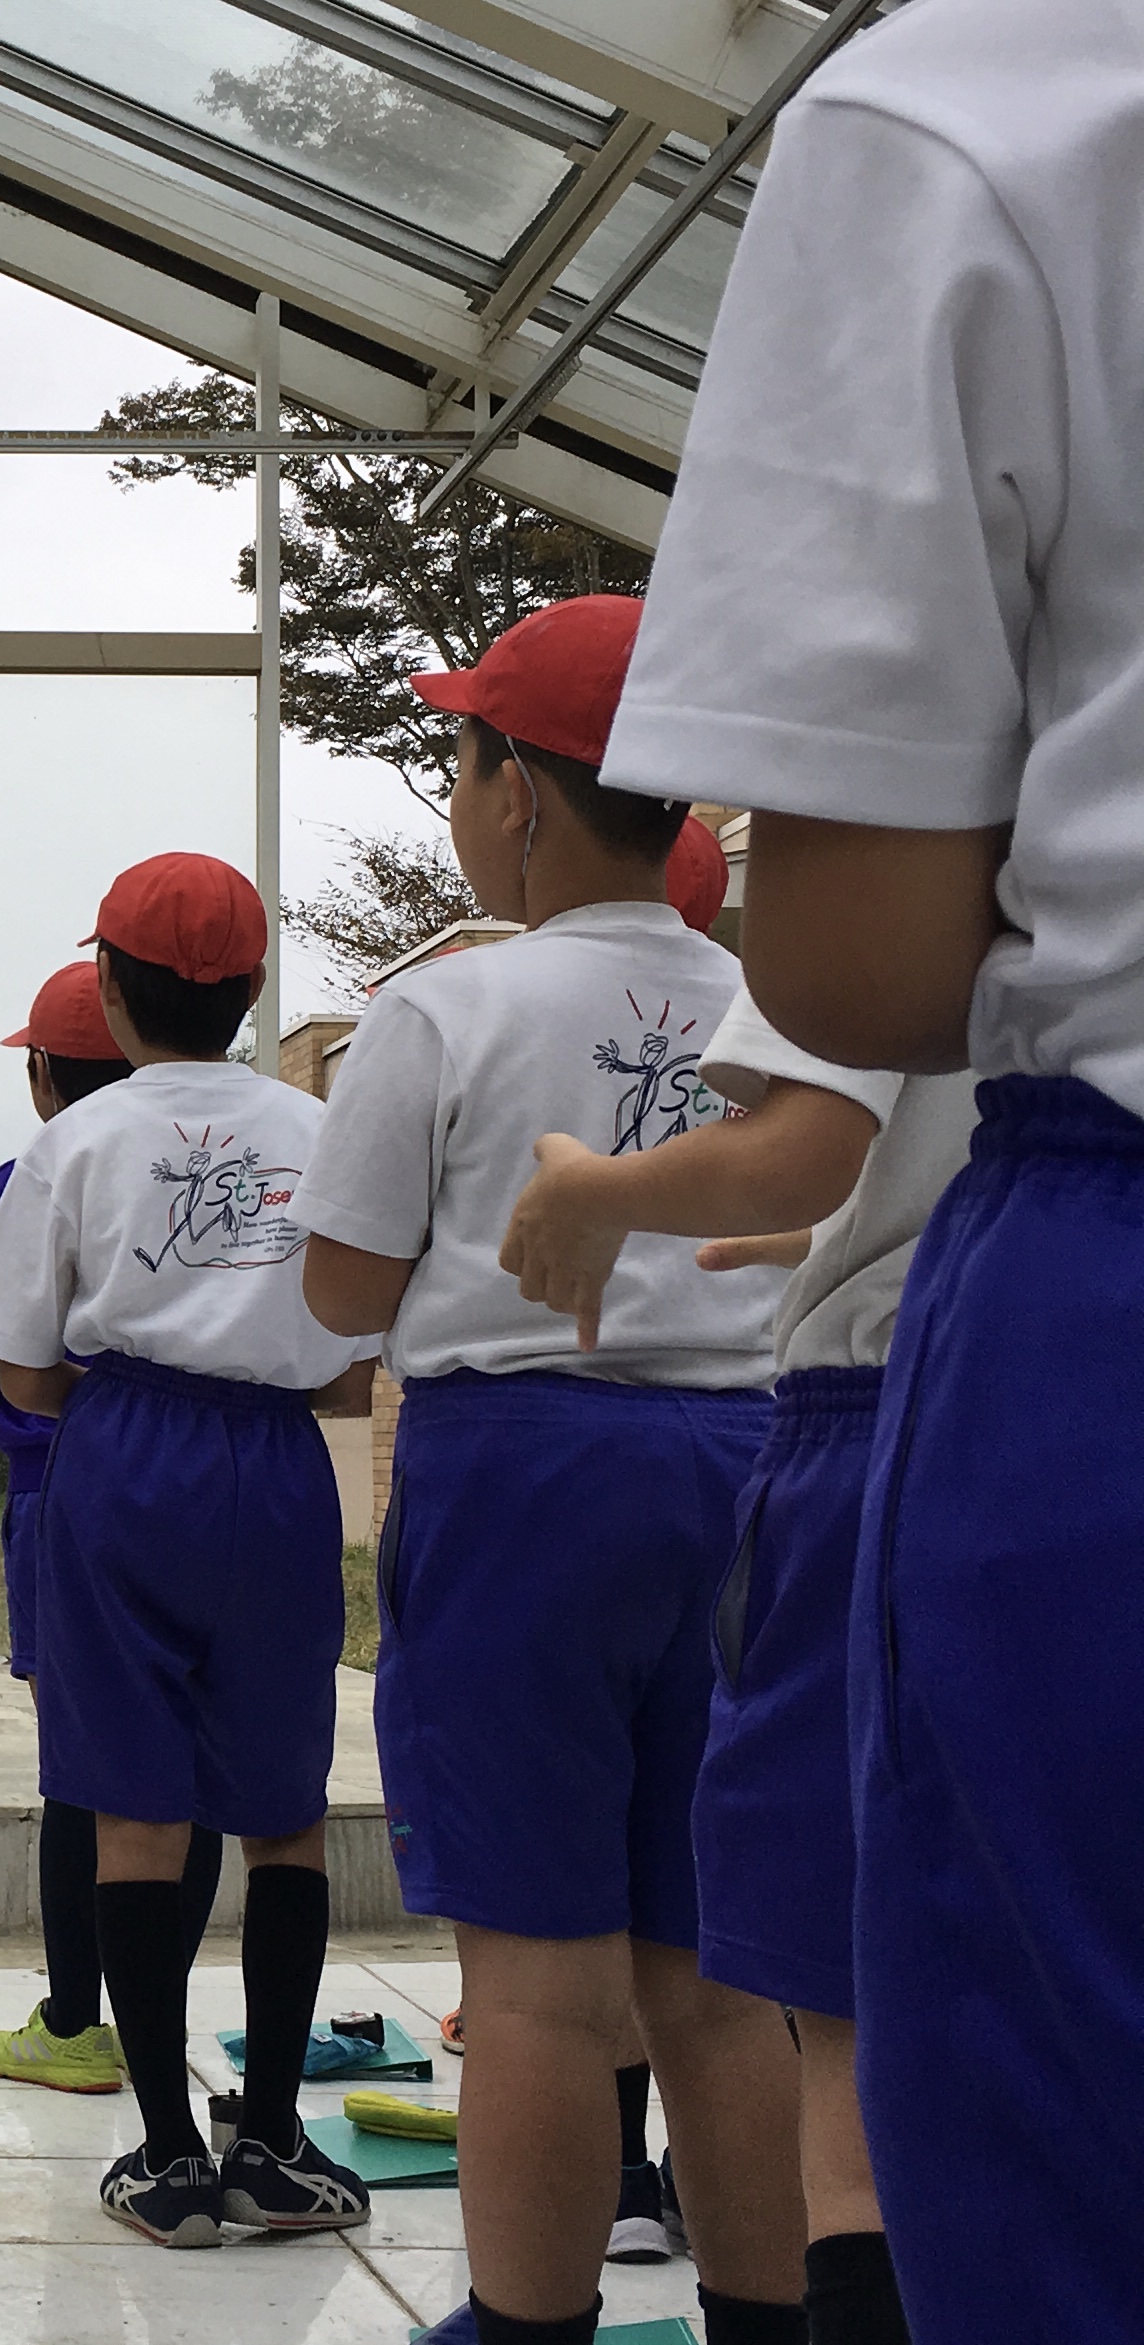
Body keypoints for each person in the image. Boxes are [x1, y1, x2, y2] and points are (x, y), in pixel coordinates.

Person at [593, 14, 1136, 2332]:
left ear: (525, 803)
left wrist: (591, 1199)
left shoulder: (986, 95)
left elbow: (855, 984)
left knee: (931, 2069)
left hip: (1019, 1344)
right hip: (755, 1417)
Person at [295, 596, 808, 2345]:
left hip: (523, 1476)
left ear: (514, 792)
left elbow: (340, 1291)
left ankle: (521, 2326)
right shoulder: (775, 999)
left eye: (456, 758)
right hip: (746, 1467)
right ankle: (762, 2314)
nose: (453, 793)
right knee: (719, 1974)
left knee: (528, 1981)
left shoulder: (442, 1013)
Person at [500, 987, 975, 2345]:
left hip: (892, 1422)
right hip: (1056, 1376)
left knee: (846, 2021)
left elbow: (806, 1134)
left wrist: (600, 1192)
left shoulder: (927, 779)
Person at [0, 855, 374, 2247]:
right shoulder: (320, 1130)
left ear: (116, 1000)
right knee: (283, 1807)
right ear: (253, 993)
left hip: (125, 1456)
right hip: (272, 1462)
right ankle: (275, 2136)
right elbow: (351, 1363)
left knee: (136, 1803)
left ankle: (167, 2150)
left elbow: (18, 1374)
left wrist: (121, 1401)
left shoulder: (75, 1142)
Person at [0, 962, 225, 2097]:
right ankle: (162, 2010)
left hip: (68, 1489)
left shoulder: (29, 1176)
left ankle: (74, 2018)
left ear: (46, 1076)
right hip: (229, 1477)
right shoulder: (235, 1153)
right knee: (188, 1768)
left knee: (88, 1766)